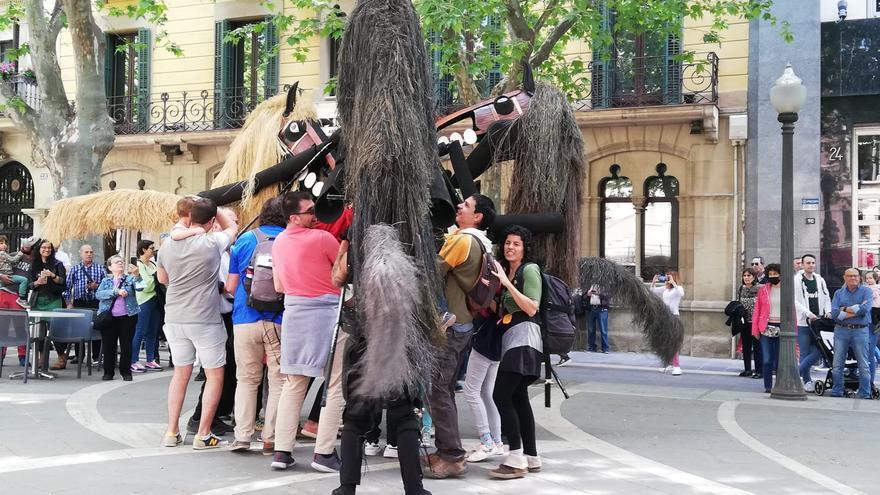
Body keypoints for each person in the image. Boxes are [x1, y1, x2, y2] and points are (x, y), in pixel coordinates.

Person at [333, 238, 431, 495]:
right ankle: (414, 489)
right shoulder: (412, 243)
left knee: (355, 417)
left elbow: (338, 278)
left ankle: (347, 487)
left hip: (365, 345)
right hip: (401, 344)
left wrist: (344, 248)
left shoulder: (359, 243)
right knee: (405, 416)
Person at [422, 194, 496, 479]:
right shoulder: (479, 241)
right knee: (443, 388)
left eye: (466, 205)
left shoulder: (463, 240)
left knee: (438, 390)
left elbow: (434, 271)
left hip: (450, 327)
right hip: (462, 325)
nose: (459, 207)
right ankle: (445, 449)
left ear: (477, 216)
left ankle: (452, 456)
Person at [158, 198, 238, 450]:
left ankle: (171, 431)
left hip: (174, 316)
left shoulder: (166, 244)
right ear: (212, 220)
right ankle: (203, 434)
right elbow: (232, 229)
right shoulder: (212, 242)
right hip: (204, 317)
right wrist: (220, 212)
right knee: (215, 375)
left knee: (180, 374)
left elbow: (163, 278)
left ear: (189, 217)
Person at [269, 191, 341, 470]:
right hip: (327, 314)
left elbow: (279, 286)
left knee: (293, 384)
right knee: (335, 385)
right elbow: (343, 272)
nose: (316, 214)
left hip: (295, 313)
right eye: (310, 211)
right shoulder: (323, 238)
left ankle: (282, 451)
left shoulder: (278, 243)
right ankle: (323, 453)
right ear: (294, 217)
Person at [226, 197, 286, 456]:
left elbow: (230, 286)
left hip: (244, 318)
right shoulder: (290, 240)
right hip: (280, 320)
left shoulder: (246, 240)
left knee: (247, 379)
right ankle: (270, 438)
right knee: (279, 380)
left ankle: (242, 436)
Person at [486, 225, 542, 479]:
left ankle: (515, 457)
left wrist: (507, 282)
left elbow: (531, 307)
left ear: (525, 249)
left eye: (516, 244)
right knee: (518, 398)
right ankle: (531, 456)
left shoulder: (529, 270)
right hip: (514, 339)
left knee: (500, 395)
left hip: (525, 338)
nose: (510, 247)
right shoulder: (507, 271)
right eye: (508, 243)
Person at [462, 306, 504, 462]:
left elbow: (482, 302)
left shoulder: (494, 283)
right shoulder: (511, 285)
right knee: (486, 394)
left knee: (471, 392)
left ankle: (487, 442)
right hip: (498, 340)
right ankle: (497, 441)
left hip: (485, 340)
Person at [60, 244, 106, 370]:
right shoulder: (75, 269)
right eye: (86, 252)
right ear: (81, 254)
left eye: (91, 252)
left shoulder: (100, 269)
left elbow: (107, 286)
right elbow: (67, 287)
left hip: (96, 302)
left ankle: (97, 356)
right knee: (78, 328)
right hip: (79, 302)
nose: (89, 254)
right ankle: (79, 355)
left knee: (97, 328)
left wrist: (97, 287)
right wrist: (69, 303)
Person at [829, 268, 873, 398]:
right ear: (844, 278)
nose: (853, 278)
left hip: (860, 330)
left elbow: (865, 309)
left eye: (855, 276)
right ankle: (837, 391)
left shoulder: (866, 291)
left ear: (860, 277)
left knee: (863, 364)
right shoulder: (838, 293)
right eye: (850, 276)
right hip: (841, 330)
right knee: (837, 364)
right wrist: (856, 308)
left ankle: (864, 393)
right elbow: (835, 314)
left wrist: (845, 310)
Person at [95, 255, 140, 381]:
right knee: (109, 345)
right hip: (109, 317)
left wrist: (137, 275)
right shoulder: (106, 280)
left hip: (127, 316)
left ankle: (126, 372)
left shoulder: (130, 279)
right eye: (117, 262)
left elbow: (141, 287)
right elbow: (99, 294)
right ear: (110, 267)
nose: (120, 263)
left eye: (121, 261)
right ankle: (108, 372)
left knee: (126, 345)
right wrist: (116, 292)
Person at [794, 254, 831, 391]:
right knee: (804, 352)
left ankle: (795, 374)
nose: (811, 265)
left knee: (820, 351)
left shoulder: (819, 279)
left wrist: (828, 311)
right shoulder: (797, 280)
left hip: (819, 323)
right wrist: (808, 313)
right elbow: (795, 301)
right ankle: (807, 381)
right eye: (808, 263)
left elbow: (827, 297)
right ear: (802, 264)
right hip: (804, 322)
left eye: (813, 262)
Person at [29, 240, 67, 369]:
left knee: (55, 330)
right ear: (39, 249)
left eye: (49, 248)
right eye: (44, 247)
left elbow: (63, 283)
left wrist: (53, 275)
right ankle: (42, 357)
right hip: (38, 300)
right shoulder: (33, 264)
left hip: (54, 299)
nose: (46, 250)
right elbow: (29, 284)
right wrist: (37, 282)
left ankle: (61, 356)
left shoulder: (57, 264)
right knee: (39, 331)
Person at [131, 240, 162, 372]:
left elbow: (154, 281)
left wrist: (154, 279)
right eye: (151, 248)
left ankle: (150, 359)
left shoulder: (153, 264)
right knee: (140, 331)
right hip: (143, 301)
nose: (153, 250)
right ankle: (133, 360)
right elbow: (146, 286)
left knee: (153, 332)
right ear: (143, 250)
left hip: (156, 300)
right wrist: (156, 279)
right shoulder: (139, 265)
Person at [751, 263, 782, 393]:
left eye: (775, 273)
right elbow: (757, 310)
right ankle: (768, 386)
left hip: (782, 327)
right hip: (766, 327)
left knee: (780, 360)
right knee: (767, 359)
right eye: (770, 274)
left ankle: (781, 384)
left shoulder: (788, 289)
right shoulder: (763, 290)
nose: (773, 276)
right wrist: (755, 330)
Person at [652, 271, 685, 376]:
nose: (666, 278)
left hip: (674, 317)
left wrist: (673, 282)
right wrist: (653, 282)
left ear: (673, 278)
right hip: (664, 317)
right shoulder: (666, 288)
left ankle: (677, 366)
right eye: (666, 277)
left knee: (674, 343)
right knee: (666, 342)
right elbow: (653, 291)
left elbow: (681, 293)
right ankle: (669, 363)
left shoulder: (677, 288)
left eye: (668, 276)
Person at [735, 268, 762, 378]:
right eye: (744, 275)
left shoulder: (760, 288)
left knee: (757, 347)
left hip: (756, 322)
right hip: (744, 322)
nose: (746, 278)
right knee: (746, 347)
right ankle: (747, 369)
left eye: (749, 275)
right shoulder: (741, 288)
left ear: (754, 277)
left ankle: (759, 370)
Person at [0, 235, 28, 308]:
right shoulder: (2, 253)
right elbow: (13, 260)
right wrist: (21, 252)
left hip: (3, 278)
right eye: (1, 243)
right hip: (8, 275)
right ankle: (22, 298)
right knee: (24, 280)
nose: (4, 245)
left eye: (5, 243)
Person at [584, 283, 610, 355]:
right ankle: (591, 348)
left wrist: (599, 294)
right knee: (591, 329)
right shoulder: (588, 283)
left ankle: (605, 348)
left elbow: (608, 296)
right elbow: (584, 297)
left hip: (601, 309)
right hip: (591, 308)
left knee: (603, 330)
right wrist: (588, 295)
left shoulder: (605, 284)